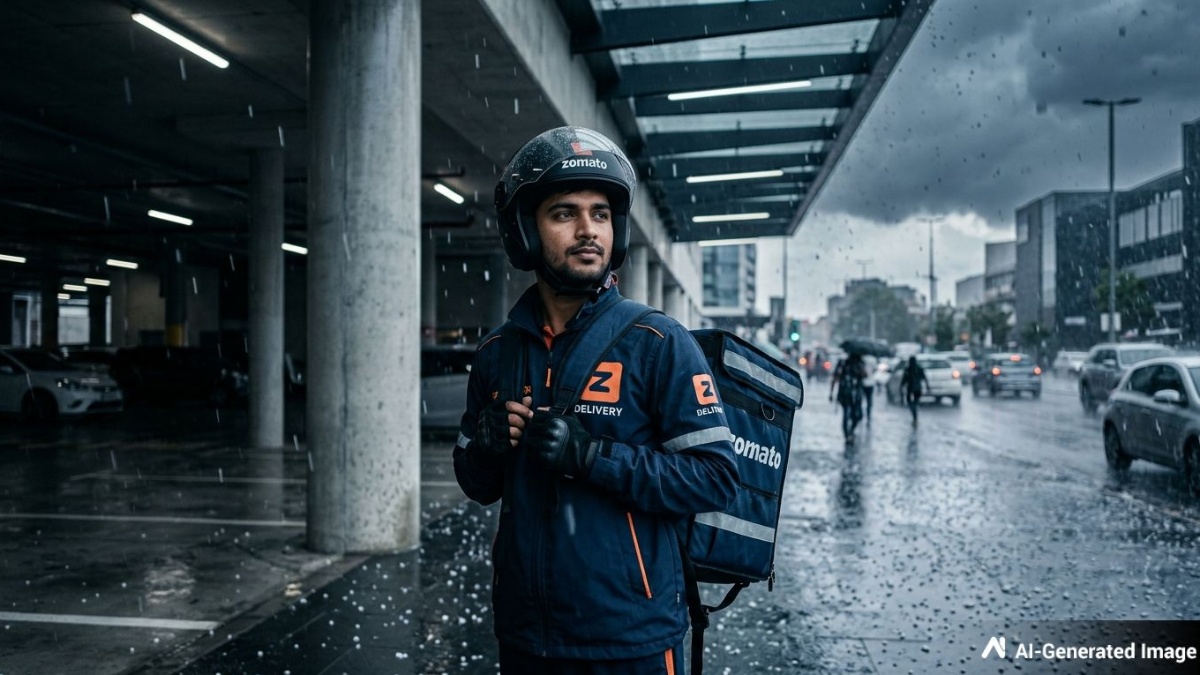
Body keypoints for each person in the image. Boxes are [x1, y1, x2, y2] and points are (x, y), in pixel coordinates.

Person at [452, 126, 739, 674]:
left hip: (629, 642)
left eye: (601, 214)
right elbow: (476, 485)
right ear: (526, 232)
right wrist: (485, 449)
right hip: (524, 638)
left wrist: (593, 459)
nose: (588, 230)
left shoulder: (657, 343)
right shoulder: (496, 353)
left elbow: (716, 478)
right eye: (565, 213)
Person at [829, 353, 866, 442]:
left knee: (855, 415)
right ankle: (848, 434)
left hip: (853, 394)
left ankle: (849, 432)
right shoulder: (844, 364)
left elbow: (864, 376)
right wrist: (831, 392)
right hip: (847, 393)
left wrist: (831, 392)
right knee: (849, 414)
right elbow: (836, 377)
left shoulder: (859, 364)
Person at [899, 355, 931, 425]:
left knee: (910, 402)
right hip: (917, 388)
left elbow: (904, 379)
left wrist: (901, 386)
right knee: (914, 402)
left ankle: (914, 414)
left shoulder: (908, 369)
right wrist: (927, 386)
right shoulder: (918, 368)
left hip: (910, 389)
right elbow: (925, 378)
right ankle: (914, 414)